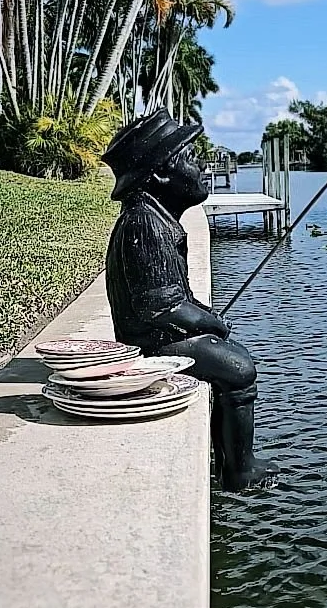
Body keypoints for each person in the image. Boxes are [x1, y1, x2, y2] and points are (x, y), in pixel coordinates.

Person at [102, 108, 275, 492]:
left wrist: (204, 315)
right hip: (147, 344)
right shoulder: (145, 224)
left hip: (158, 334)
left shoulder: (158, 218)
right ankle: (239, 471)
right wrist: (208, 322)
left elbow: (180, 295)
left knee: (229, 356)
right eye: (190, 159)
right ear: (162, 176)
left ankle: (229, 463)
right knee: (239, 368)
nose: (202, 168)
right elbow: (161, 306)